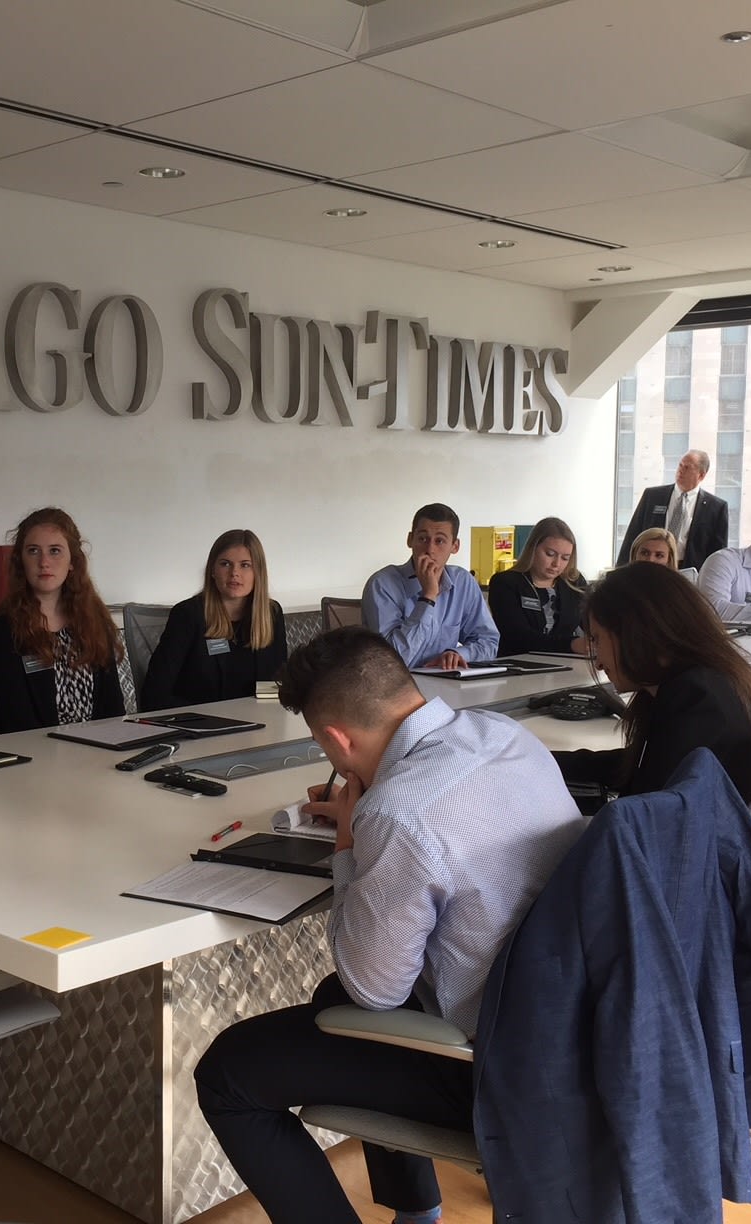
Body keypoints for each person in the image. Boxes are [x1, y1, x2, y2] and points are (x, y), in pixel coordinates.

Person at [194, 628, 584, 1224]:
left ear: (334, 738)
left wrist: (350, 846)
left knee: (226, 1075)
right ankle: (415, 1209)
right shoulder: (506, 737)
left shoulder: (397, 814)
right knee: (329, 1000)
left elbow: (374, 991)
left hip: (499, 1074)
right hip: (572, 1033)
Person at [554, 565, 751, 807]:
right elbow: (637, 767)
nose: (598, 662)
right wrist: (543, 763)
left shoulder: (696, 699)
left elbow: (649, 807)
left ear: (634, 632)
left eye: (597, 639)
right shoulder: (708, 680)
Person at [0, 507, 124, 732]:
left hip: (96, 750)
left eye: (55, 551)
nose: (44, 562)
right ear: (21, 561)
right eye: (33, 551)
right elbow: (17, 719)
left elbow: (113, 708)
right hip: (36, 754)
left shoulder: (93, 620)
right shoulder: (4, 629)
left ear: (72, 561)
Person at [141, 528, 288, 710]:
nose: (234, 573)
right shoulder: (188, 615)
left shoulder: (270, 613)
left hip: (258, 726)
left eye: (245, 565)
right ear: (212, 570)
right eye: (225, 564)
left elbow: (277, 687)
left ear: (259, 573)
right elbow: (155, 695)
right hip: (200, 726)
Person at [361, 502, 500, 669]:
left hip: (445, 682)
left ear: (455, 546)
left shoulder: (462, 582)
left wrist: (458, 654)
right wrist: (428, 597)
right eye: (422, 539)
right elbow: (391, 662)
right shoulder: (382, 584)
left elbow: (488, 641)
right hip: (397, 688)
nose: (430, 549)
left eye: (440, 541)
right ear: (410, 540)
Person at [484, 516, 588, 655]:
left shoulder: (574, 581)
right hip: (519, 665)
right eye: (550, 554)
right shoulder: (505, 583)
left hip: (566, 665)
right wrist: (572, 644)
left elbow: (592, 623)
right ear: (533, 548)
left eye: (565, 558)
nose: (556, 564)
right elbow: (518, 637)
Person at [615, 449, 730, 568]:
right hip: (651, 564)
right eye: (680, 465)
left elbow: (718, 553)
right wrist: (621, 570)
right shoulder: (653, 496)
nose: (680, 470)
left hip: (689, 571)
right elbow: (633, 534)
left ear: (701, 475)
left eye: (687, 468)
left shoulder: (716, 508)